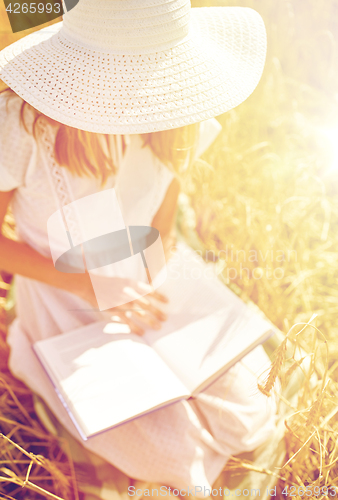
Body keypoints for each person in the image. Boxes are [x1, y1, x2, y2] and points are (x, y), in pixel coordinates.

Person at [0, 0, 277, 495]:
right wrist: (84, 284)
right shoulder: (24, 124)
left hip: (150, 282)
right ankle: (34, 362)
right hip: (65, 299)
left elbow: (165, 200)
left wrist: (160, 255)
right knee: (175, 454)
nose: (143, 97)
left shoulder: (176, 111)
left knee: (247, 416)